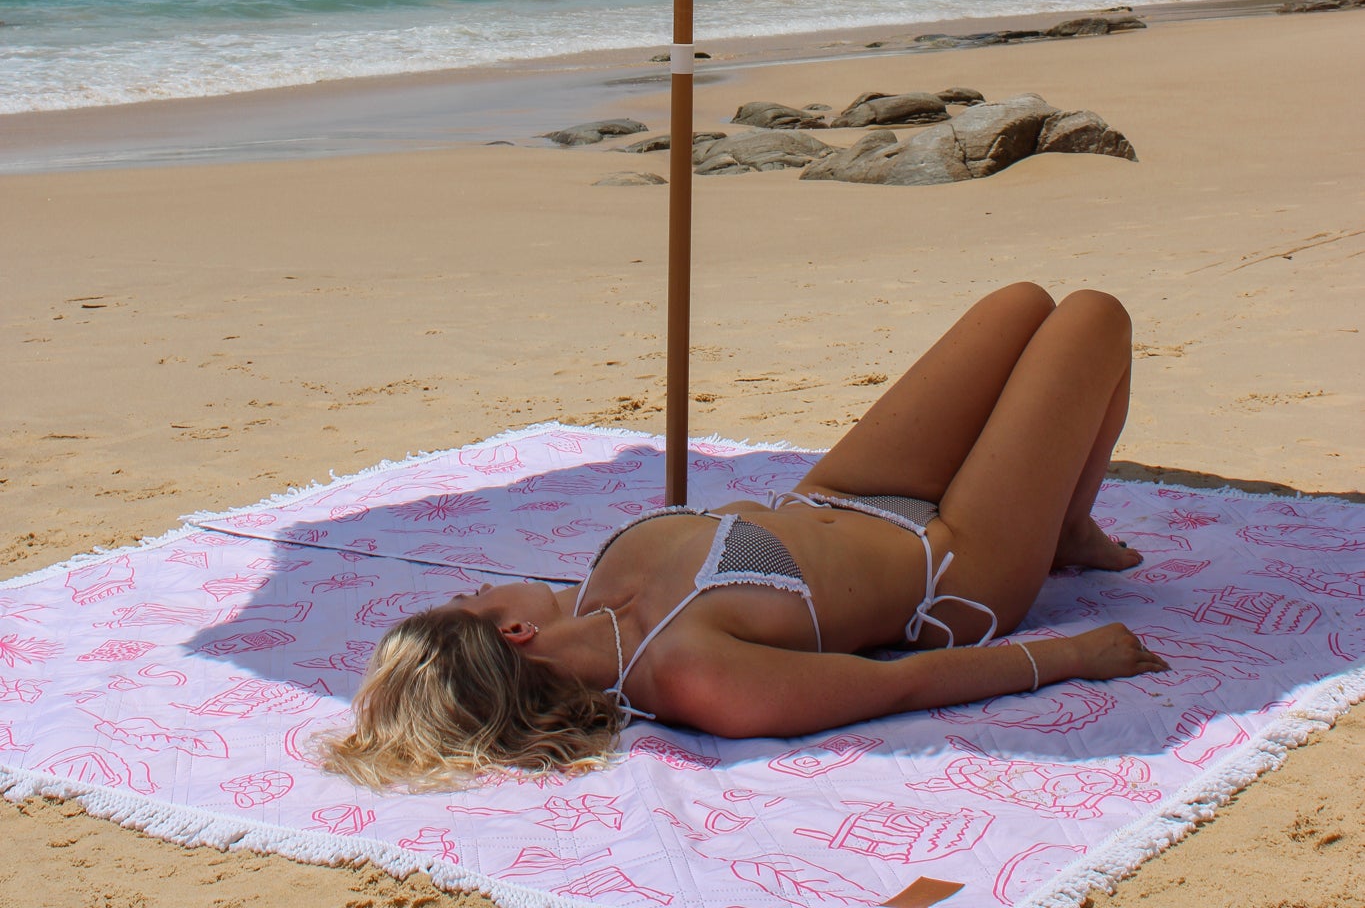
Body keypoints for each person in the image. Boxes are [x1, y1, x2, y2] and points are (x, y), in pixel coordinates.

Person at [322, 284, 1167, 788]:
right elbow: (899, 689)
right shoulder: (694, 678)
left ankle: (1066, 521)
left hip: (844, 493)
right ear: (514, 632)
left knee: (1018, 306)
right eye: (470, 598)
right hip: (953, 565)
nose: (478, 582)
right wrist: (1067, 657)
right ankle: (1056, 531)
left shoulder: (593, 598)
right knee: (1092, 318)